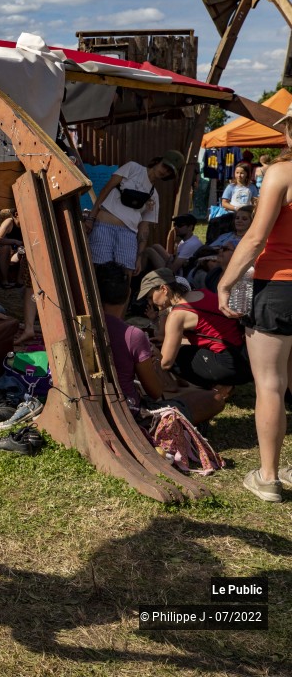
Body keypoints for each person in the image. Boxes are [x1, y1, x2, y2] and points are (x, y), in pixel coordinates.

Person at [217, 107, 292, 502]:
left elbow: (254, 238)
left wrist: (225, 283)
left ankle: (268, 476)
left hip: (278, 287)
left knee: (270, 384)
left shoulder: (282, 173)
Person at [96, 262, 229, 423]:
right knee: (213, 399)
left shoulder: (84, 326)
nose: (150, 302)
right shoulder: (132, 335)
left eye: (150, 296)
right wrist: (155, 358)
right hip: (132, 415)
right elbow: (156, 391)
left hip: (99, 410)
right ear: (127, 293)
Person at [137, 268, 251, 390]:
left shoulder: (177, 315)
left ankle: (218, 387)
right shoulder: (201, 293)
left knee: (171, 355)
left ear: (164, 289)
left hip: (232, 365)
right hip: (247, 357)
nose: (150, 302)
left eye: (150, 297)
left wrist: (152, 351)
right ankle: (220, 384)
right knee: (180, 349)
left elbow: (165, 363)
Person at [84, 150, 184, 273]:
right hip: (104, 226)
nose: (164, 171)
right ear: (158, 161)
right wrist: (91, 218)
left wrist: (139, 257)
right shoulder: (133, 168)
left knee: (126, 275)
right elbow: (106, 190)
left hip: (128, 234)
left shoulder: (154, 195)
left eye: (169, 171)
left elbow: (144, 228)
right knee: (100, 271)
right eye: (165, 166)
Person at [137, 213, 202, 275]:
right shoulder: (187, 240)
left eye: (180, 225)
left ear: (190, 227)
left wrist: (168, 263)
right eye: (175, 224)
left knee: (148, 251)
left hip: (176, 276)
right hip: (177, 267)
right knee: (156, 246)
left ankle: (139, 276)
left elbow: (172, 270)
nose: (176, 227)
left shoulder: (190, 245)